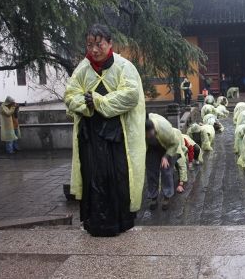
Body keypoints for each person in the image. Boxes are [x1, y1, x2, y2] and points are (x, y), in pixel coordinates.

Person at [64, 24, 145, 237]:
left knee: (117, 178)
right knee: (92, 177)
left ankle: (119, 222)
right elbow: (70, 96)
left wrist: (99, 101)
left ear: (109, 44)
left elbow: (130, 95)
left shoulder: (123, 67)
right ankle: (95, 223)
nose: (94, 50)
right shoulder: (82, 69)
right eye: (90, 45)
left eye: (99, 44)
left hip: (117, 136)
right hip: (90, 136)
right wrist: (87, 106)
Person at [145, 114, 185, 210]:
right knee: (151, 172)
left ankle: (167, 196)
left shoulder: (165, 129)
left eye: (150, 134)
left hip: (167, 147)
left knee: (166, 171)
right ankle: (153, 197)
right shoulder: (139, 129)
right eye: (146, 135)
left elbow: (175, 143)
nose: (148, 136)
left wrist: (166, 156)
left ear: (154, 129)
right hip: (151, 149)